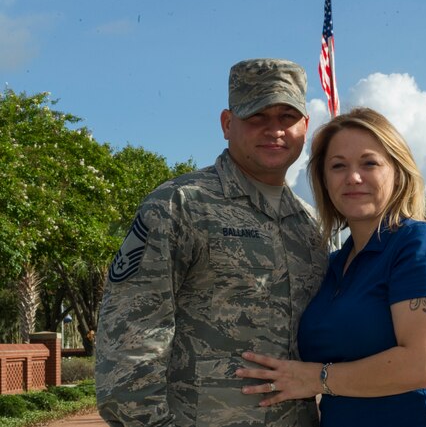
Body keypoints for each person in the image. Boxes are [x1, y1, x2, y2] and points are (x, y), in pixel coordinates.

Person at [95, 58, 328, 427]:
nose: (274, 130)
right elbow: (129, 345)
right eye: (256, 117)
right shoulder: (179, 205)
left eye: (287, 117)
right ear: (226, 124)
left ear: (305, 126)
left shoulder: (312, 225)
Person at [236, 108, 426, 427]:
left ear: (398, 171)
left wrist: (317, 378)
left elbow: (422, 366)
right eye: (338, 166)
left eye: (369, 163)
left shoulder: (420, 245)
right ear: (324, 181)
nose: (353, 177)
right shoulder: (333, 264)